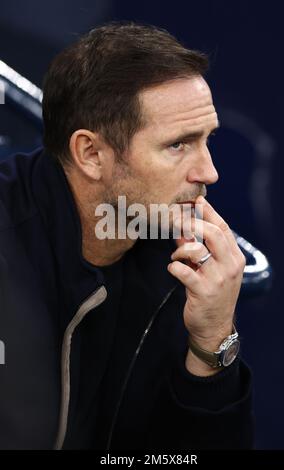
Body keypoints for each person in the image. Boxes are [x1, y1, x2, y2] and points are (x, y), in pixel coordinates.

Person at [0, 22, 253, 450]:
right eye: (178, 145)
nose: (209, 172)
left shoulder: (183, 260)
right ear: (91, 154)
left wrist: (213, 340)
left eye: (207, 140)